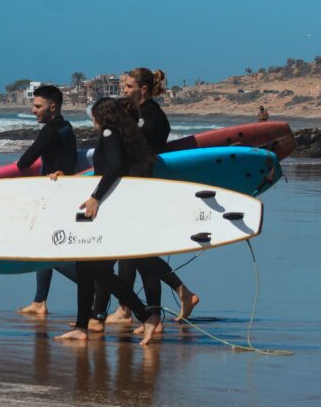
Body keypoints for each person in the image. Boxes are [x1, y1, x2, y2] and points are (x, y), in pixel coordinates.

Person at [54, 98, 161, 347]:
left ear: (100, 117)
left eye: (93, 115)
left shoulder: (110, 132)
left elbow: (113, 168)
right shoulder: (127, 135)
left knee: (96, 270)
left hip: (110, 211)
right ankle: (82, 326)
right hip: (119, 209)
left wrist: (95, 198)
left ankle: (146, 315)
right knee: (85, 268)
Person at [98, 68, 200, 325]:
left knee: (135, 250)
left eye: (128, 86)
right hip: (133, 186)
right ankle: (132, 309)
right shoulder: (138, 114)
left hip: (142, 188)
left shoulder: (152, 115)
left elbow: (139, 149)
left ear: (142, 89)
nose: (123, 89)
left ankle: (170, 298)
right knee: (132, 250)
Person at [15, 85, 78, 315]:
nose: (33, 110)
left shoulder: (51, 130)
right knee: (46, 247)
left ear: (53, 107)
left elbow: (25, 160)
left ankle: (96, 284)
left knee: (49, 252)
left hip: (54, 196)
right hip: (62, 193)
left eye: (37, 106)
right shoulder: (66, 127)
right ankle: (40, 301)